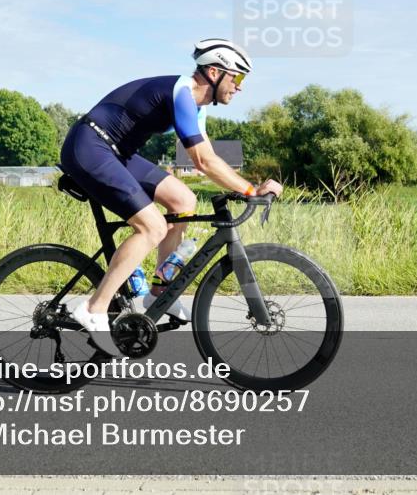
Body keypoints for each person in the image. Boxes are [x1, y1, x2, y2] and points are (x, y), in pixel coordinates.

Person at [59, 39, 283, 354]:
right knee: (152, 227)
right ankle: (94, 308)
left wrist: (244, 187)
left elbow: (206, 157)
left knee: (184, 201)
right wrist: (250, 190)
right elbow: (203, 162)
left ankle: (157, 293)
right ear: (215, 72)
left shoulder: (197, 105)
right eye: (238, 77)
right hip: (89, 146)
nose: (240, 87)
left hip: (116, 152)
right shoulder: (181, 92)